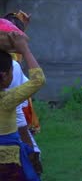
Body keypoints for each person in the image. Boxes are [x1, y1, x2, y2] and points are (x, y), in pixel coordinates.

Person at [0, 32, 45, 181]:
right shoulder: (8, 99)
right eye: (13, 71)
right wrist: (25, 50)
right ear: (5, 75)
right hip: (8, 162)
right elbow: (38, 80)